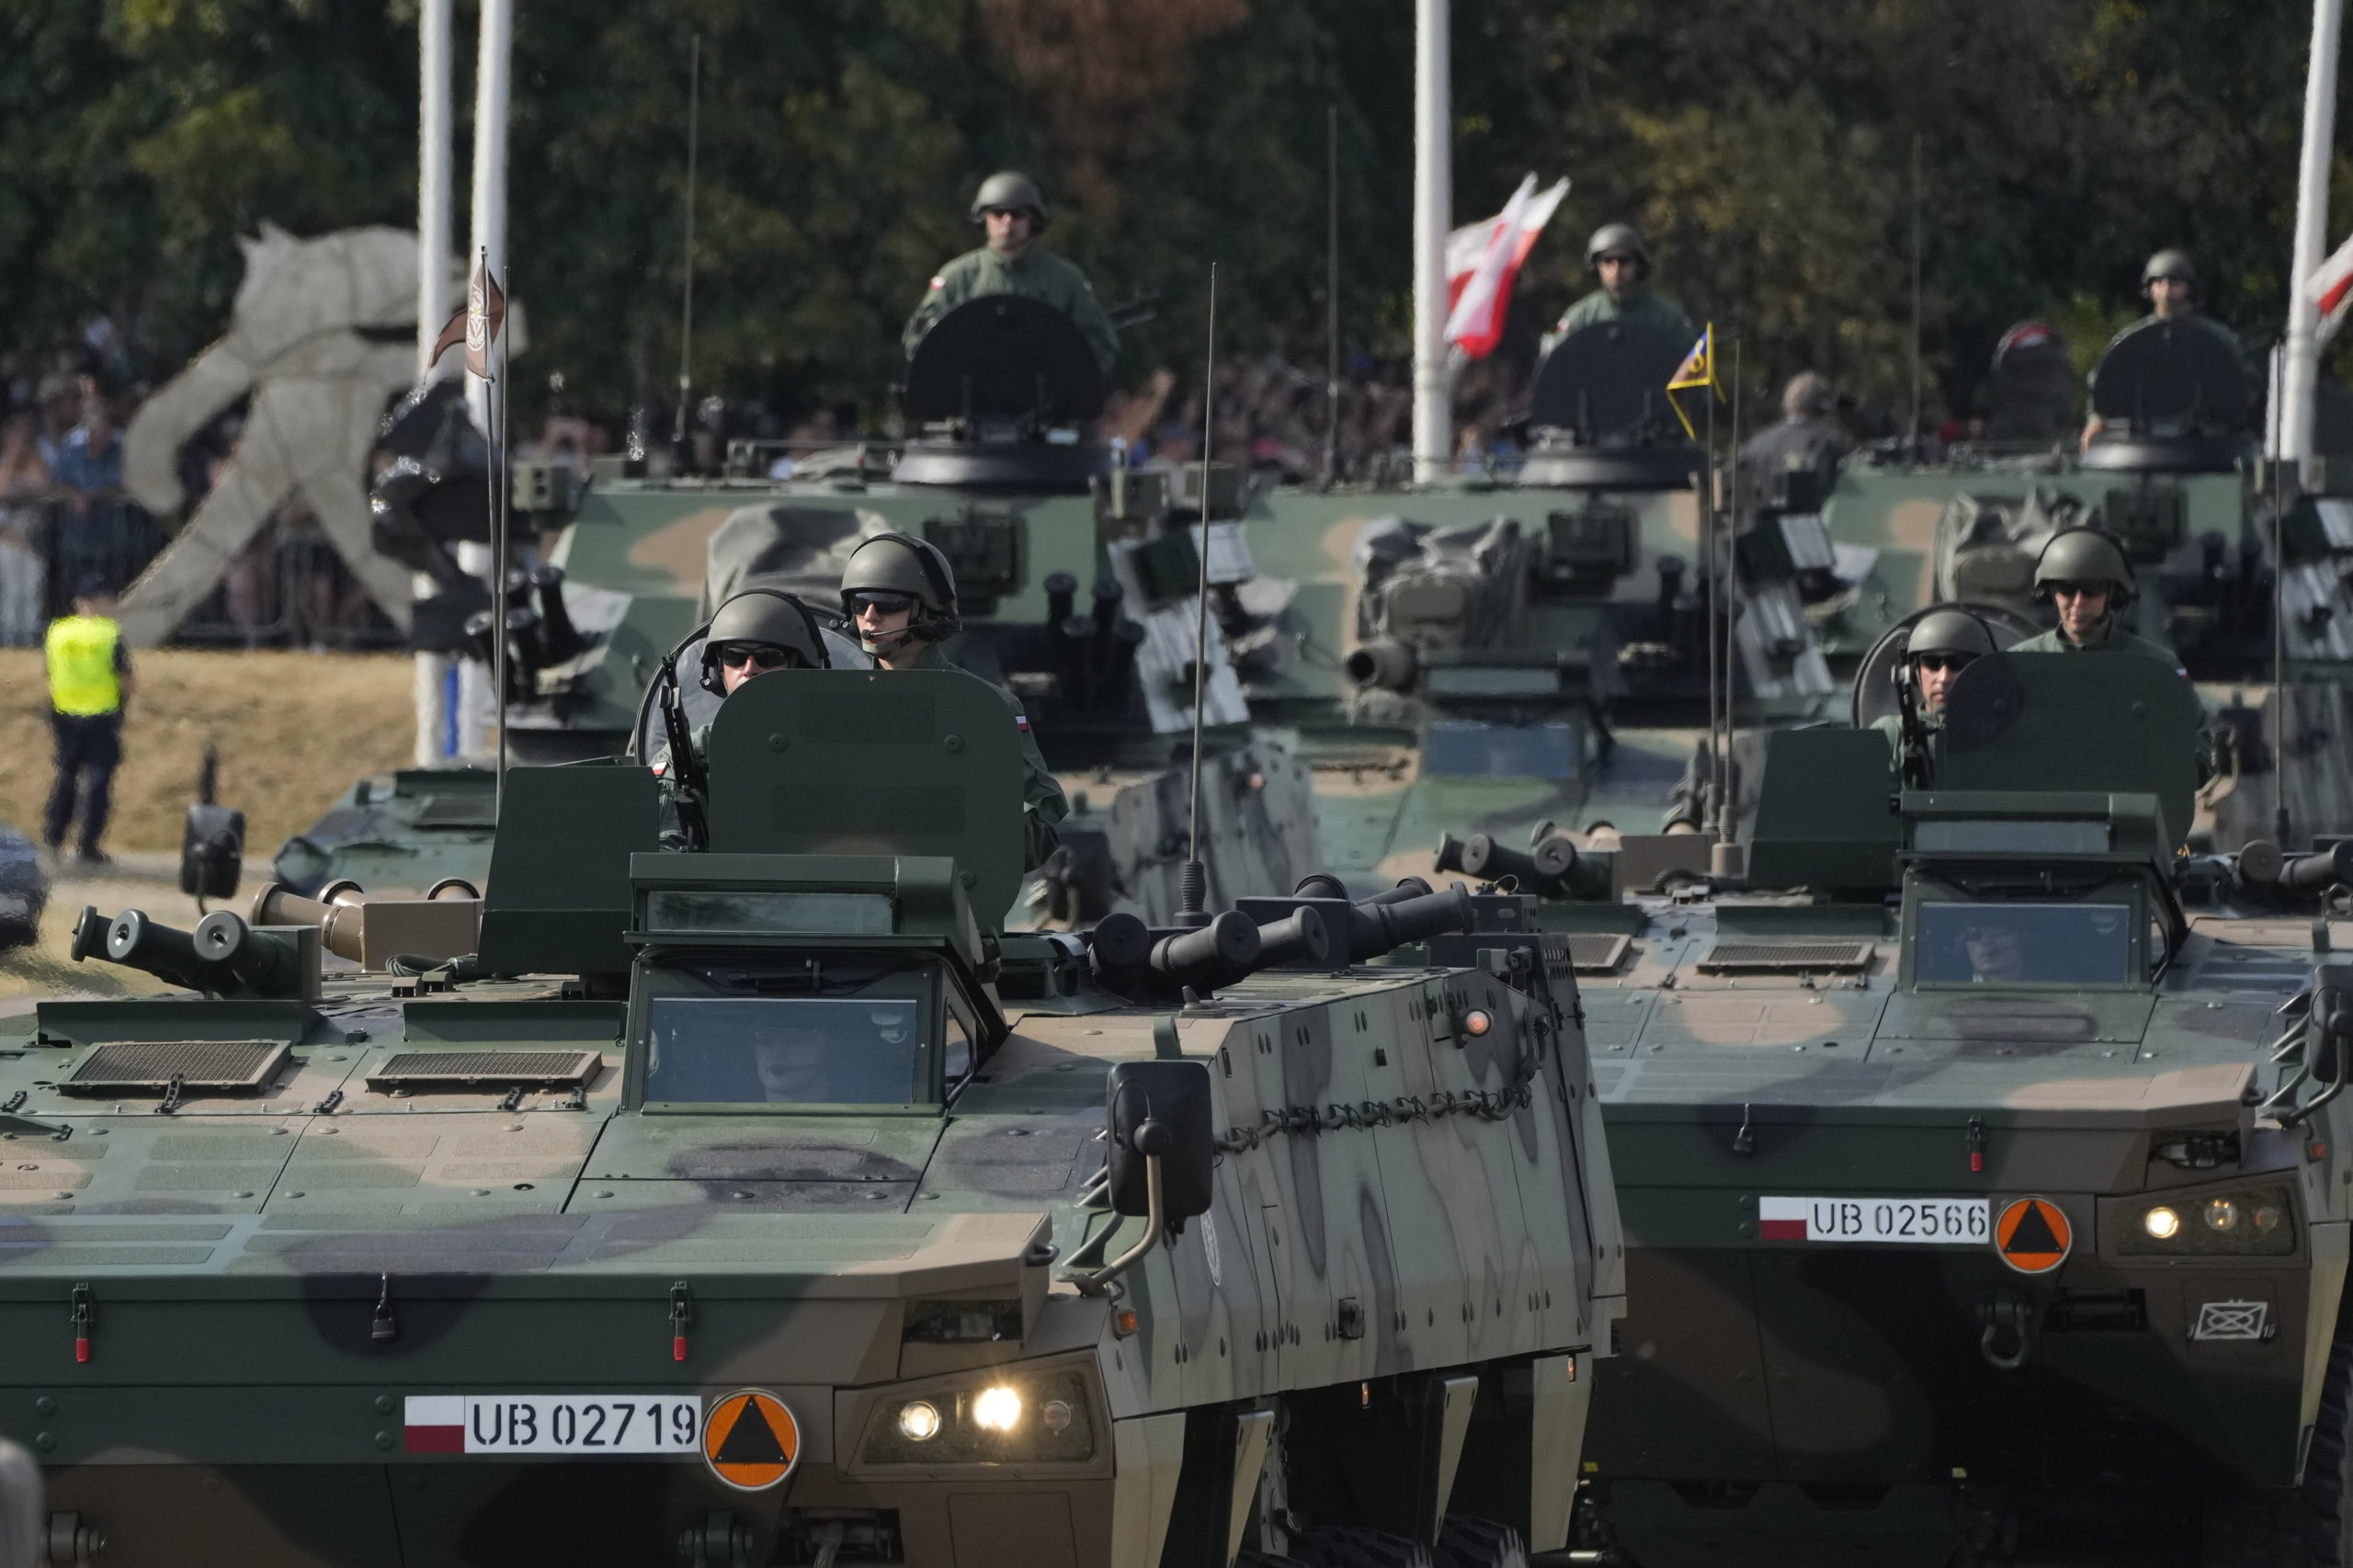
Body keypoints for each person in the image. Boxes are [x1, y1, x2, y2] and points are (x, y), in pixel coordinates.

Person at [838, 532, 1068, 869]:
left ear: (926, 610)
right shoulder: (831, 703)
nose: (870, 617)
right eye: (859, 604)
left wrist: (955, 824)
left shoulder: (984, 708)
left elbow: (1042, 823)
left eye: (888, 604)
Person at [653, 589, 833, 848]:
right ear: (718, 671)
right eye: (734, 656)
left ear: (799, 668)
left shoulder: (834, 752)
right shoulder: (687, 758)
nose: (749, 669)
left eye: (768, 657)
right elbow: (662, 856)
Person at [903, 172, 1118, 376]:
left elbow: (1098, 343)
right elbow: (920, 339)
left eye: (1017, 214)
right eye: (998, 213)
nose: (1007, 222)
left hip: (1047, 402)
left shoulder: (1064, 279)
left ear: (1031, 220)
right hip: (969, 400)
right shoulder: (958, 277)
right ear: (984, 217)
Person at [2082, 250, 2243, 449]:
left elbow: (2241, 388)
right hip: (2141, 446)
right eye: (2159, 282)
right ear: (2150, 289)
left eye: (2174, 282)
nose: (2166, 289)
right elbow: (2106, 381)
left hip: (2207, 445)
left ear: (2188, 287)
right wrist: (2095, 420)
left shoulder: (2219, 339)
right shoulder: (2130, 341)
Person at [43, 578, 132, 867]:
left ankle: (53, 839)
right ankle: (88, 846)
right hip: (102, 715)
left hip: (64, 714)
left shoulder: (58, 632)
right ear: (96, 601)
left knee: (65, 778)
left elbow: (49, 671)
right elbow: (126, 679)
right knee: (97, 782)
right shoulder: (109, 633)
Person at [2011, 528, 2183, 670]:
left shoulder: (2156, 665)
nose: (2078, 602)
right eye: (2066, 589)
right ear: (2051, 595)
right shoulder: (2019, 663)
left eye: (2092, 590)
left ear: (2113, 595)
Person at [1870, 608, 1997, 758]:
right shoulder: (1891, 736)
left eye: (1958, 663)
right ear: (1914, 671)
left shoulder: (2001, 736)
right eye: (1931, 663)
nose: (1943, 678)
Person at [1545, 223, 1696, 348]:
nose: (1616, 269)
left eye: (1624, 261)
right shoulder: (1581, 317)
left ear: (1637, 264)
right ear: (1597, 266)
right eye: (1608, 261)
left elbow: (1692, 368)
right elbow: (1556, 365)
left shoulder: (1665, 318)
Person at [1739, 372, 1847, 497]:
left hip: (1759, 516)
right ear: (1824, 408)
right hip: (1809, 515)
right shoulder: (1826, 445)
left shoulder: (1758, 441)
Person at [0, 413, 51, 646]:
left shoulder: (38, 462)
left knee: (32, 591)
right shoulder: (3, 465)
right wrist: (11, 460)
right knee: (11, 593)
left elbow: (44, 488)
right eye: (15, 438)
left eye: (24, 439)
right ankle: (9, 640)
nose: (20, 443)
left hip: (33, 538)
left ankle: (30, 639)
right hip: (6, 537)